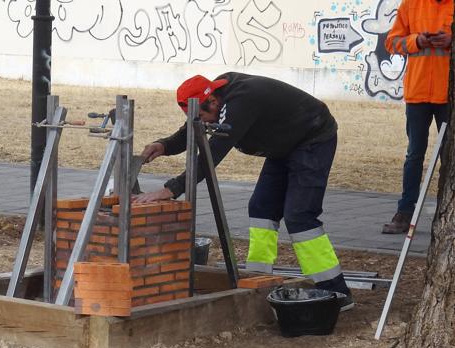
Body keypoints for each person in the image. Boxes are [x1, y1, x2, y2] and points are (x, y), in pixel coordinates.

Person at [134, 72, 353, 311]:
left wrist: (171, 189)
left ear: (214, 102)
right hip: (284, 144)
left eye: (204, 116)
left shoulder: (242, 102)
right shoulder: (216, 97)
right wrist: (164, 145)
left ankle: (335, 291)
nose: (205, 124)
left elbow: (210, 156)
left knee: (300, 216)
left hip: (312, 138)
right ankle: (259, 279)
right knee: (261, 207)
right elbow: (194, 127)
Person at [382, 0, 452, 234]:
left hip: (449, 95)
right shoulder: (411, 4)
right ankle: (404, 213)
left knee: (449, 157)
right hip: (418, 93)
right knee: (414, 155)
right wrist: (417, 41)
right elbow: (391, 42)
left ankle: (446, 214)